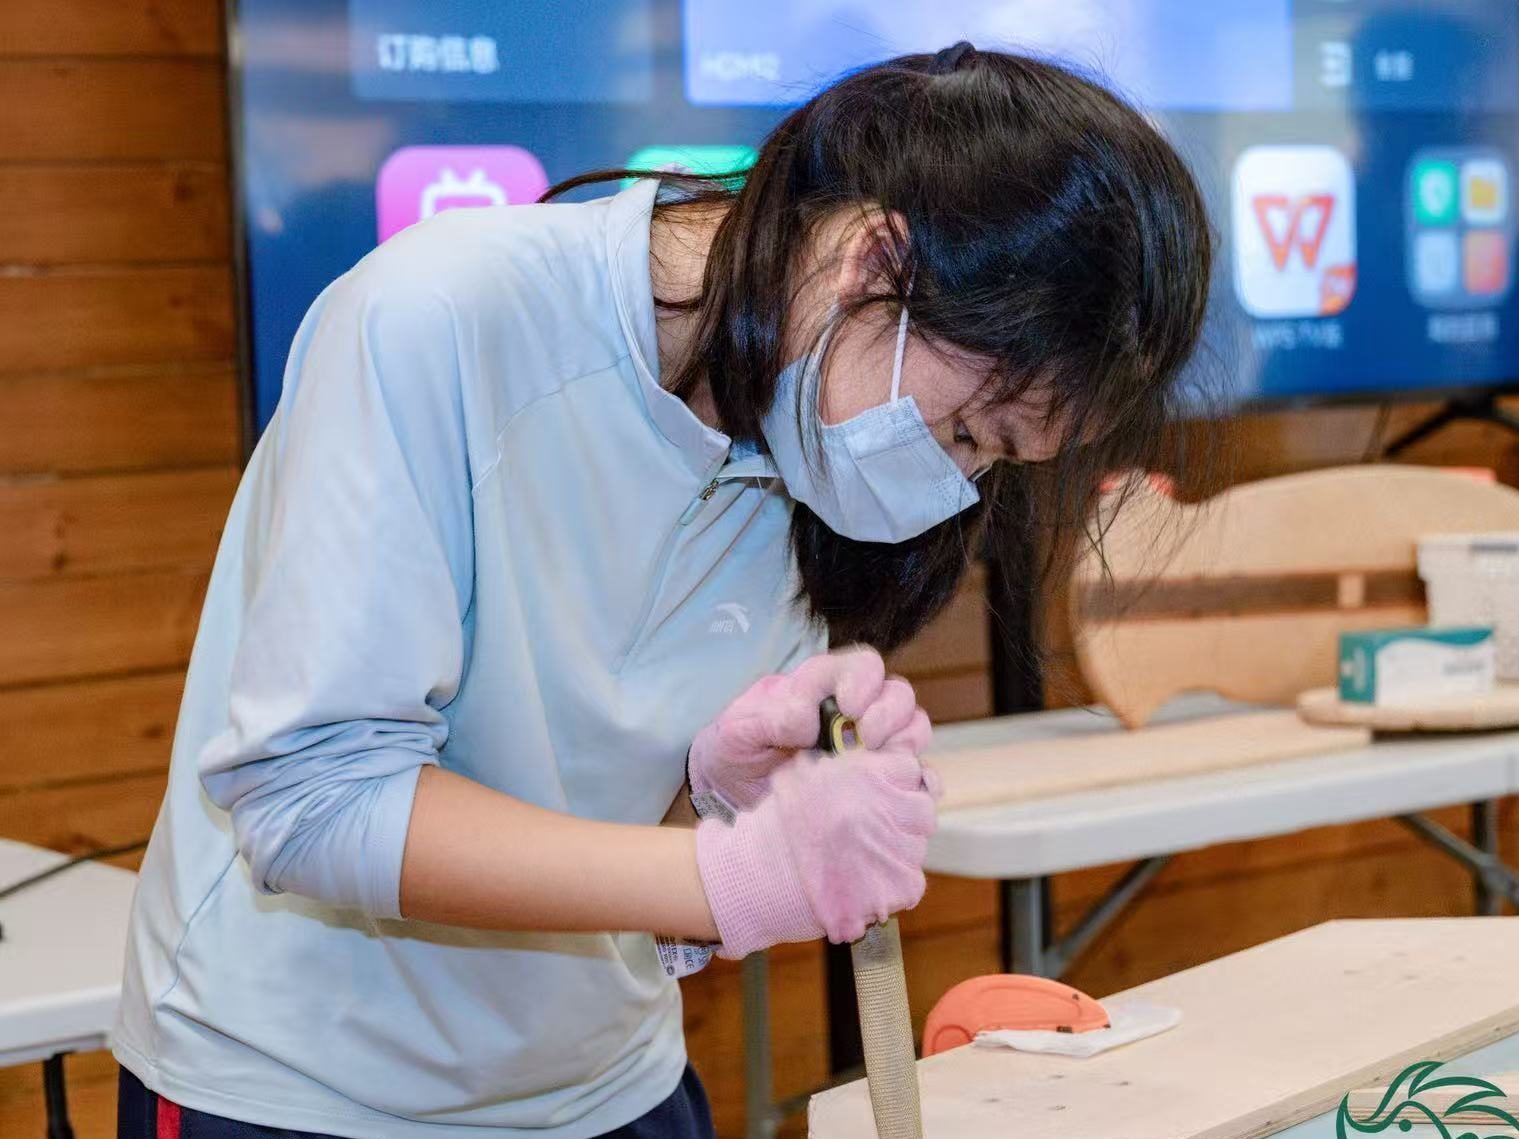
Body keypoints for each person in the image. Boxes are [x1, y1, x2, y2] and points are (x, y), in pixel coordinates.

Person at [113, 42, 1212, 1139]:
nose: (951, 482)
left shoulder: (817, 431)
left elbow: (612, 860)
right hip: (300, 1089)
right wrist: (723, 874)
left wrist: (719, 789)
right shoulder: (439, 317)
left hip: (605, 1081)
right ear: (876, 263)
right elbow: (315, 800)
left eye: (992, 460)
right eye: (968, 430)